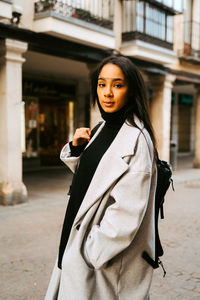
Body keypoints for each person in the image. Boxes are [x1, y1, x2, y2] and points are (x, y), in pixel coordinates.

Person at [45, 55, 157, 300]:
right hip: (74, 240)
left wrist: (90, 252)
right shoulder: (102, 128)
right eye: (101, 84)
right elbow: (99, 182)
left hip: (97, 260)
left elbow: (127, 212)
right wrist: (76, 149)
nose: (107, 92)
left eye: (117, 85)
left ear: (131, 90)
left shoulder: (136, 138)